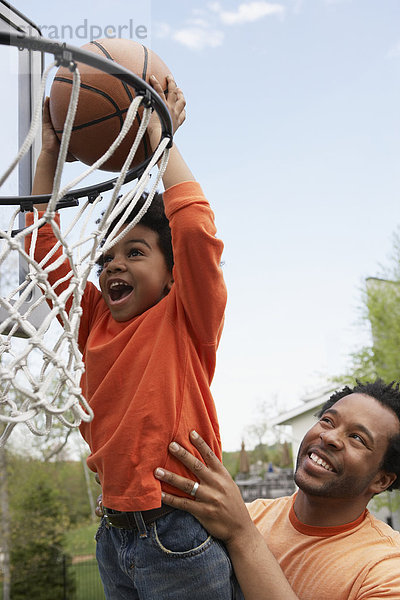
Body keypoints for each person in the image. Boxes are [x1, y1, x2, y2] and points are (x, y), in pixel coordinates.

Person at [29, 75, 241, 599]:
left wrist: (159, 139)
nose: (114, 265)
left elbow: (192, 227)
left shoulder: (186, 319)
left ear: (174, 273)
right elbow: (41, 241)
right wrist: (51, 151)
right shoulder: (94, 321)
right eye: (105, 258)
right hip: (115, 534)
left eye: (136, 252)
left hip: (178, 531)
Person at [153, 379, 400, 599]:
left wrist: (243, 536)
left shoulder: (386, 568)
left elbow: (241, 531)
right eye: (327, 421)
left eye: (357, 438)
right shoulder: (250, 515)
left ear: (382, 480)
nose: (330, 437)